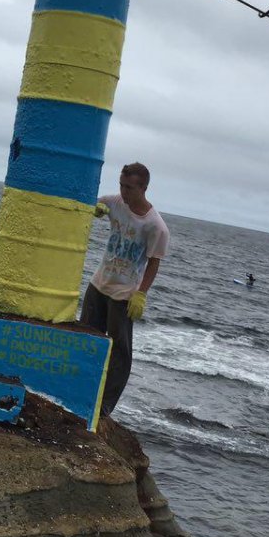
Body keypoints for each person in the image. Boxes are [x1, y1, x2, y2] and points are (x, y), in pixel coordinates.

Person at [80, 162, 170, 416]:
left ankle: (104, 406)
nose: (123, 191)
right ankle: (81, 391)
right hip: (99, 284)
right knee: (87, 339)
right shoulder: (115, 202)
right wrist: (96, 209)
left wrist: (141, 294)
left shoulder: (156, 226)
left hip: (123, 293)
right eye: (121, 185)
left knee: (120, 351)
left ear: (143, 189)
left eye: (129, 187)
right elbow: (94, 204)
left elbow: (154, 262)